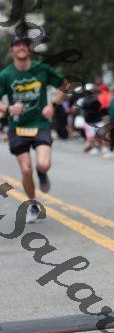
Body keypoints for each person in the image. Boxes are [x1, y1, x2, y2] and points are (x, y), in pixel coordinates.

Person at [0, 33, 66, 222]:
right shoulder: (5, 75)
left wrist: (53, 105)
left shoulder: (41, 69)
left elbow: (65, 85)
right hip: (18, 127)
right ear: (12, 50)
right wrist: (8, 108)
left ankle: (42, 173)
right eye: (18, 45)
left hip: (40, 124)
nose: (22, 47)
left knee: (43, 164)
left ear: (29, 49)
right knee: (26, 170)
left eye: (25, 44)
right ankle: (33, 205)